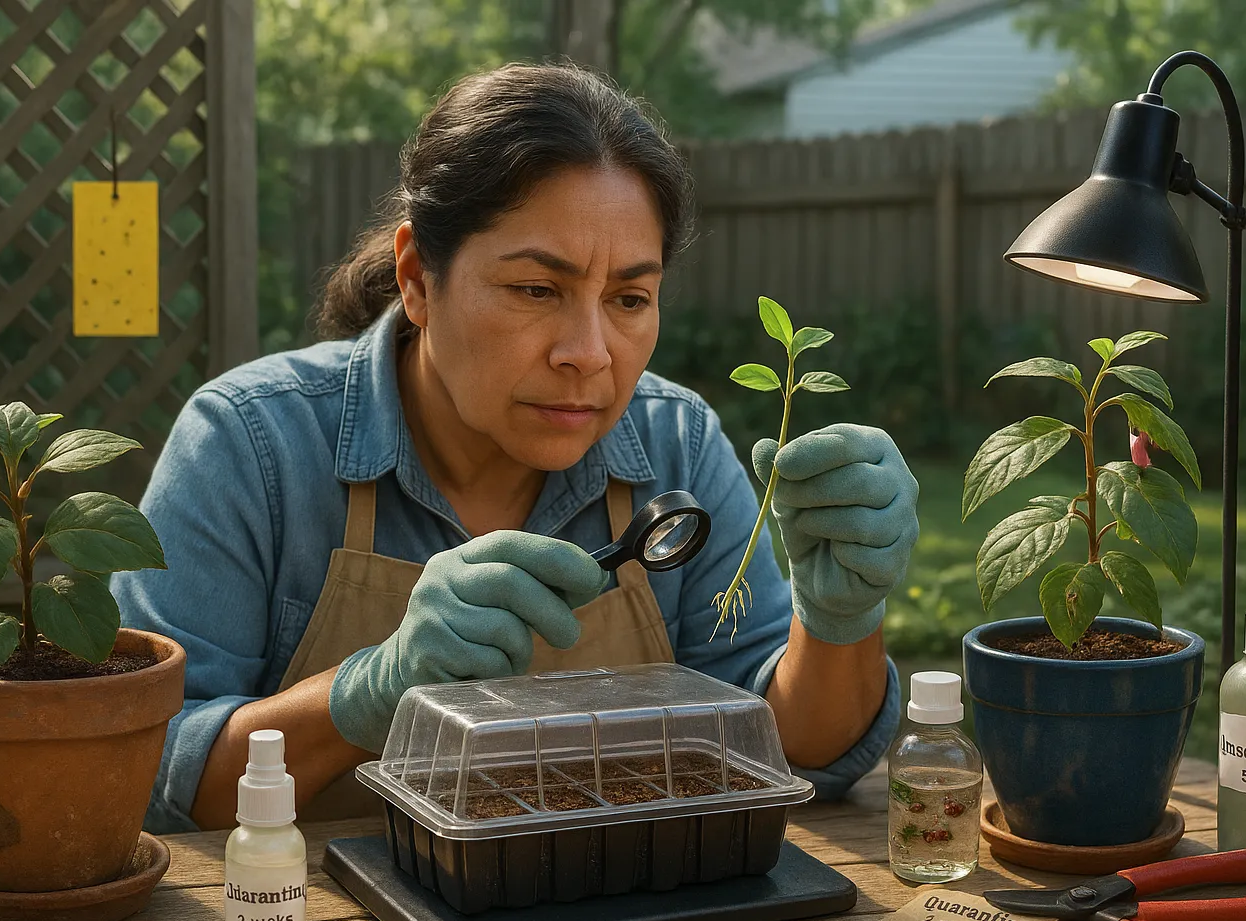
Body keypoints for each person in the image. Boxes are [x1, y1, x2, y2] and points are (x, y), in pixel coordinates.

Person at [115, 62, 919, 833]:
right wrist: (364, 692)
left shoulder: (678, 447)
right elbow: (146, 771)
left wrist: (841, 621)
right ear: (418, 279)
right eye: (537, 290)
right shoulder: (251, 445)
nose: (590, 352)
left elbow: (789, 748)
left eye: (629, 298)